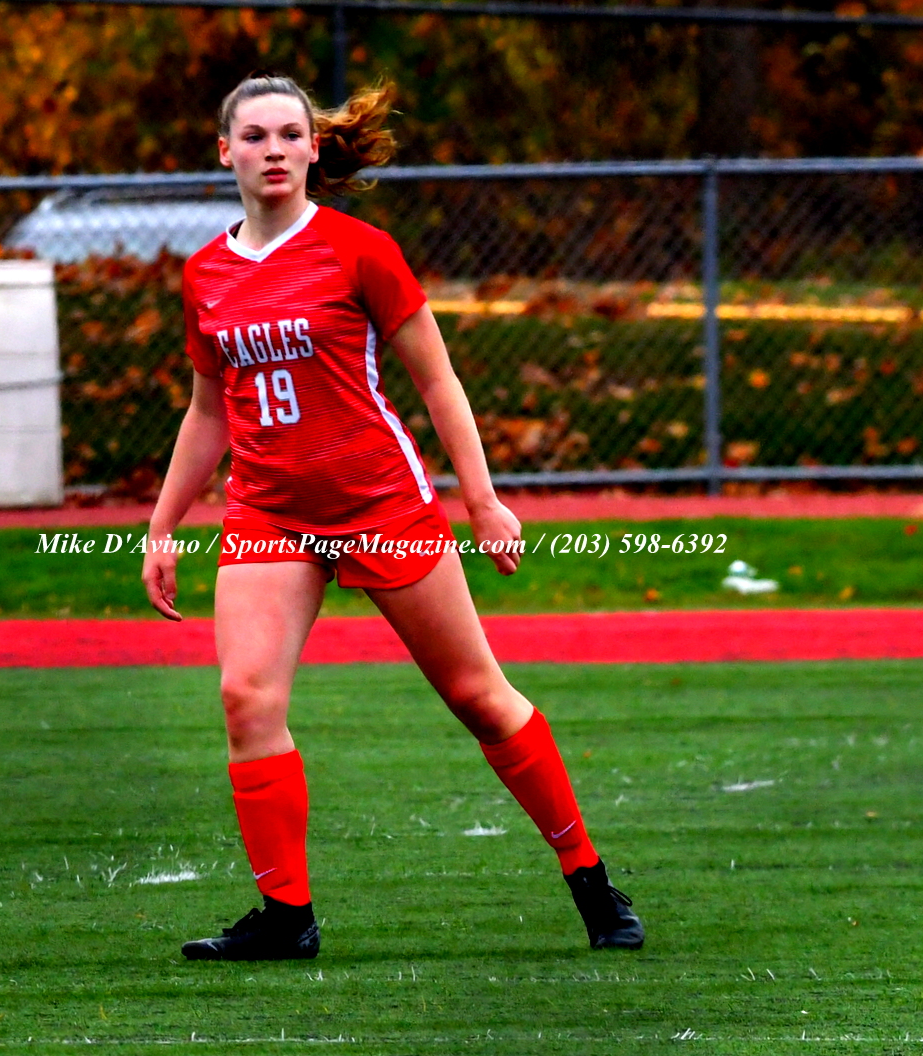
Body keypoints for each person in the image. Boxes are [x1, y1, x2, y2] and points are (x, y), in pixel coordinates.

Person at [141, 73, 643, 961]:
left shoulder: (359, 249)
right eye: (254, 137)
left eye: (289, 135)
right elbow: (208, 409)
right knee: (245, 698)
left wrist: (482, 501)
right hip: (268, 512)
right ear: (225, 152)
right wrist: (162, 524)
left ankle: (590, 879)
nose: (273, 151)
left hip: (379, 502)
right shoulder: (206, 273)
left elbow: (437, 380)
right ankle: (286, 917)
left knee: (479, 698)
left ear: (313, 148)